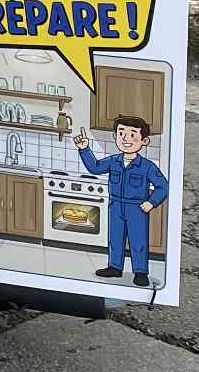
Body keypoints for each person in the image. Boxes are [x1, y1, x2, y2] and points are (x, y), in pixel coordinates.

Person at [73, 115, 170, 288]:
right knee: (115, 238)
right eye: (121, 133)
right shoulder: (113, 161)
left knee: (138, 240)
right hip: (116, 205)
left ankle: (140, 272)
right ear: (115, 137)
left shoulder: (147, 166)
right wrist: (84, 149)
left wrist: (151, 203)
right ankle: (114, 267)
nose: (126, 139)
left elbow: (163, 186)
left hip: (137, 208)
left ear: (144, 141)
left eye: (132, 134)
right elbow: (95, 167)